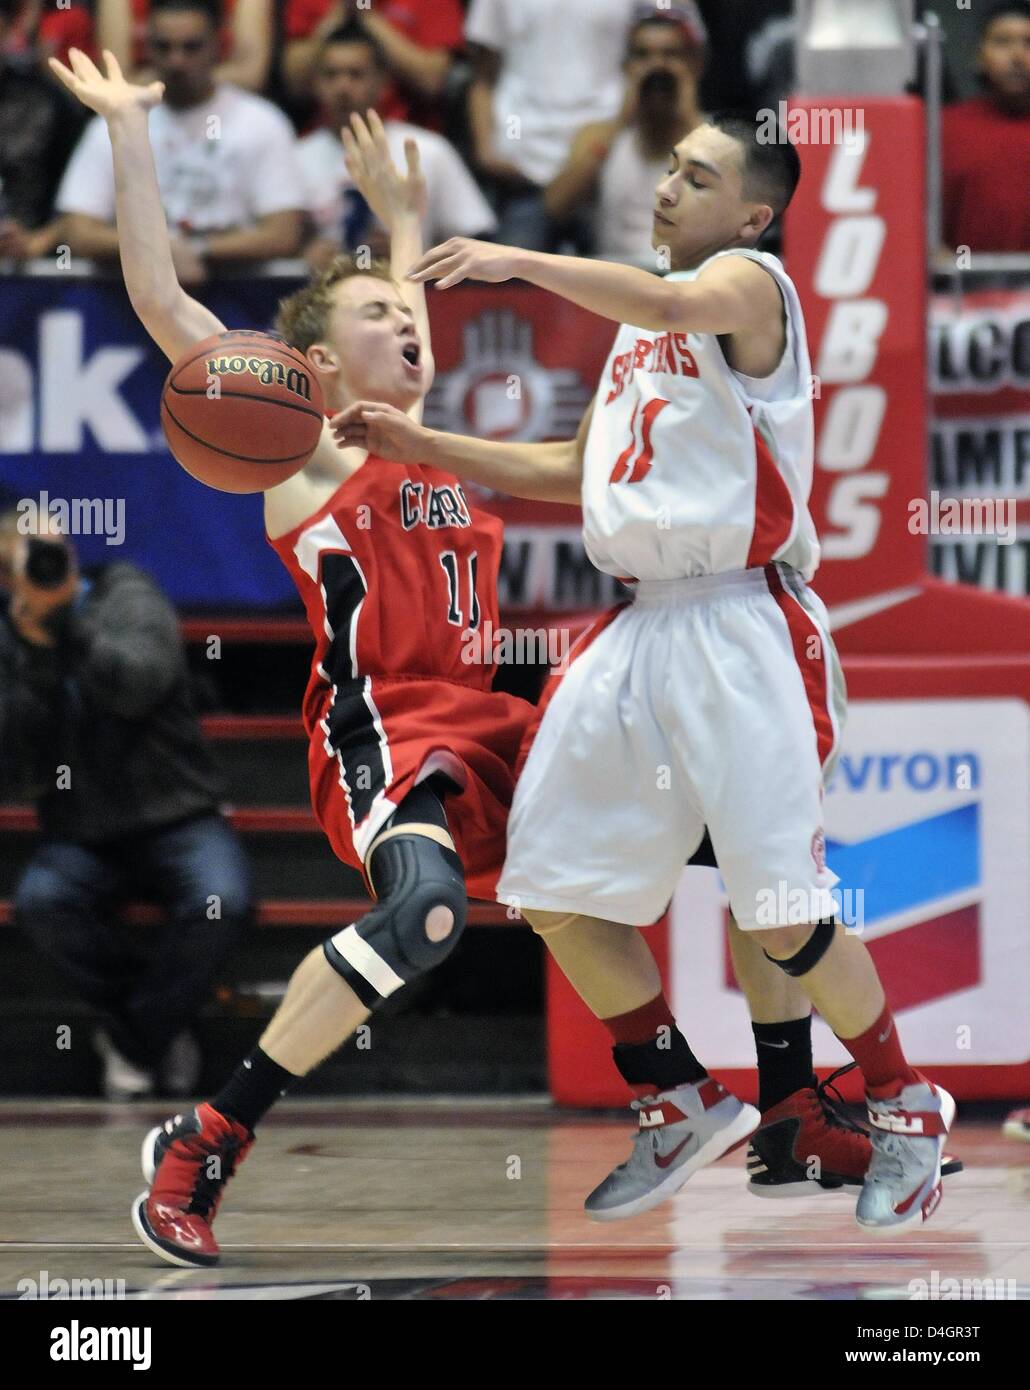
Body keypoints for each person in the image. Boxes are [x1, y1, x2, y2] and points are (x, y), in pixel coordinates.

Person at [332, 113, 957, 1233]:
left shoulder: (751, 286)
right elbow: (575, 465)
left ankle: (906, 1103)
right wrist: (424, 447)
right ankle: (674, 1091)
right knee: (550, 882)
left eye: (697, 176)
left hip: (745, 625)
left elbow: (671, 302)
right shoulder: (635, 326)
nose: (668, 185)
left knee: (780, 914)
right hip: (638, 632)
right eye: (667, 166)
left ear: (752, 214)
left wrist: (514, 256)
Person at [49, 46, 546, 1267]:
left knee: (707, 819)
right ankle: (207, 1138)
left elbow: (411, 312)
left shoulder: (433, 440)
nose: (408, 328)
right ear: (316, 370)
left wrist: (405, 218)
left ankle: (768, 1093)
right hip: (382, 725)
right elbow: (168, 309)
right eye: (376, 317)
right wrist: (127, 131)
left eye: (407, 314)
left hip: (490, 718)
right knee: (424, 917)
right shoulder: (304, 450)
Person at [0, 502, 253, 1100]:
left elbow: (139, 685)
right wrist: (34, 653)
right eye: (21, 561)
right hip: (80, 832)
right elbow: (18, 769)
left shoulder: (126, 593)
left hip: (178, 814)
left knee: (222, 902)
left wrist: (66, 627)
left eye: (47, 549)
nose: (41, 566)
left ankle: (135, 1041)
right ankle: (160, 1027)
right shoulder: (11, 639)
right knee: (42, 903)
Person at [55, 0, 304, 282]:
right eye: (164, 47)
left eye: (191, 47)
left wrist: (199, 249)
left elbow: (283, 234)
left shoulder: (261, 123)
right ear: (147, 47)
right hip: (129, 308)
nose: (176, 61)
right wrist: (163, 251)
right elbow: (78, 233)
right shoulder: (114, 123)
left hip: (240, 304)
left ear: (217, 46)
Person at [299, 21, 495, 271]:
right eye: (331, 75)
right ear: (315, 83)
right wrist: (305, 255)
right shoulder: (295, 157)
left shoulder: (427, 151)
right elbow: (280, 239)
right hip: (323, 296)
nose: (342, 87)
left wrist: (410, 250)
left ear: (382, 82)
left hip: (419, 292)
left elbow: (477, 238)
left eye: (356, 74)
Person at [464, 0, 640, 251]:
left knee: (624, 283)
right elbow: (482, 72)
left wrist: (617, 131)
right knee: (510, 286)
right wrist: (485, 150)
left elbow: (667, 42)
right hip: (521, 167)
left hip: (606, 161)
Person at [544, 5, 707, 262]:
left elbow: (743, 208)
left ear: (694, 65)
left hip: (692, 283)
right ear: (625, 66)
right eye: (643, 55)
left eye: (670, 54)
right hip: (616, 283)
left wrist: (689, 117)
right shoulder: (598, 136)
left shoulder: (717, 138)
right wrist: (621, 121)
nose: (657, 66)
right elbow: (555, 207)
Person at [282, 0, 464, 130]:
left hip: (404, 134)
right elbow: (294, 83)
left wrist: (365, 12)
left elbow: (432, 80)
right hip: (325, 135)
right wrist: (338, 13)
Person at [942, 1, 1030, 254]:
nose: (1017, 56)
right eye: (1003, 42)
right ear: (980, 57)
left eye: (1028, 42)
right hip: (960, 287)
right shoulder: (943, 128)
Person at [0, 0, 82, 263]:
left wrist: (37, 241)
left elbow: (84, 206)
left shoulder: (50, 103)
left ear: (5, 29)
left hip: (38, 272)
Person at [96, 0, 274, 94]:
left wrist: (172, 79)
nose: (177, 63)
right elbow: (117, 81)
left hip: (225, 110)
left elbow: (250, 75)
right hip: (144, 111)